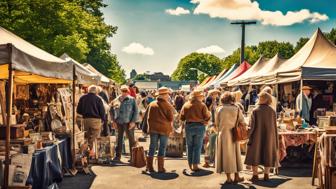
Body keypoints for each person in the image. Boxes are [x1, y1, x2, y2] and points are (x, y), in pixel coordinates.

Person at [245, 92, 278, 182]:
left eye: (260, 97)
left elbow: (251, 126)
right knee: (268, 154)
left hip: (256, 137)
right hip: (269, 137)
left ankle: (255, 175)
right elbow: (275, 126)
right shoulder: (272, 111)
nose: (258, 99)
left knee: (254, 154)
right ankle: (266, 175)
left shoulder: (255, 111)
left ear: (263, 99)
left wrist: (247, 135)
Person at [215, 92, 246, 184]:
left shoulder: (219, 109)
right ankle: (237, 176)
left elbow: (216, 123)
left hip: (223, 134)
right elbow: (242, 122)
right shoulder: (237, 108)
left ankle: (228, 178)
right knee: (235, 155)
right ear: (232, 99)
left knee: (225, 156)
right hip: (234, 134)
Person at [146, 87, 175, 173]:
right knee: (162, 147)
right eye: (167, 94)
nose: (168, 96)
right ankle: (160, 168)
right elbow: (170, 118)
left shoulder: (151, 104)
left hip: (153, 129)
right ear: (165, 95)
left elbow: (148, 118)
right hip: (164, 129)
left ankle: (149, 167)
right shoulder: (167, 105)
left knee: (152, 147)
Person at [180, 90, 210, 171]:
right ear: (198, 97)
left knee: (189, 146)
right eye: (201, 96)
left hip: (189, 126)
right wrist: (205, 121)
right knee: (197, 146)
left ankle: (190, 164)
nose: (202, 97)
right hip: (199, 126)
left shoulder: (186, 105)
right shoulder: (202, 105)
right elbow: (207, 116)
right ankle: (195, 165)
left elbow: (181, 117)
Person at [77, 85, 106, 157]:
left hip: (85, 120)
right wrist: (103, 119)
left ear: (88, 90)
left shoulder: (82, 97)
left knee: (86, 137)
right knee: (94, 137)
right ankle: (91, 154)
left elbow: (78, 110)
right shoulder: (98, 98)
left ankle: (85, 154)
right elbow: (102, 111)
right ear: (96, 91)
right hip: (96, 120)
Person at [113, 85, 138, 162]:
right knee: (119, 139)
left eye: (125, 91)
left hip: (128, 122)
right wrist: (113, 121)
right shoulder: (116, 100)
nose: (124, 92)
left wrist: (133, 121)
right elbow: (111, 110)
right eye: (122, 90)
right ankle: (118, 156)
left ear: (128, 91)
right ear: (120, 91)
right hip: (119, 122)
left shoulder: (132, 99)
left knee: (131, 140)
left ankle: (133, 157)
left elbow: (136, 111)